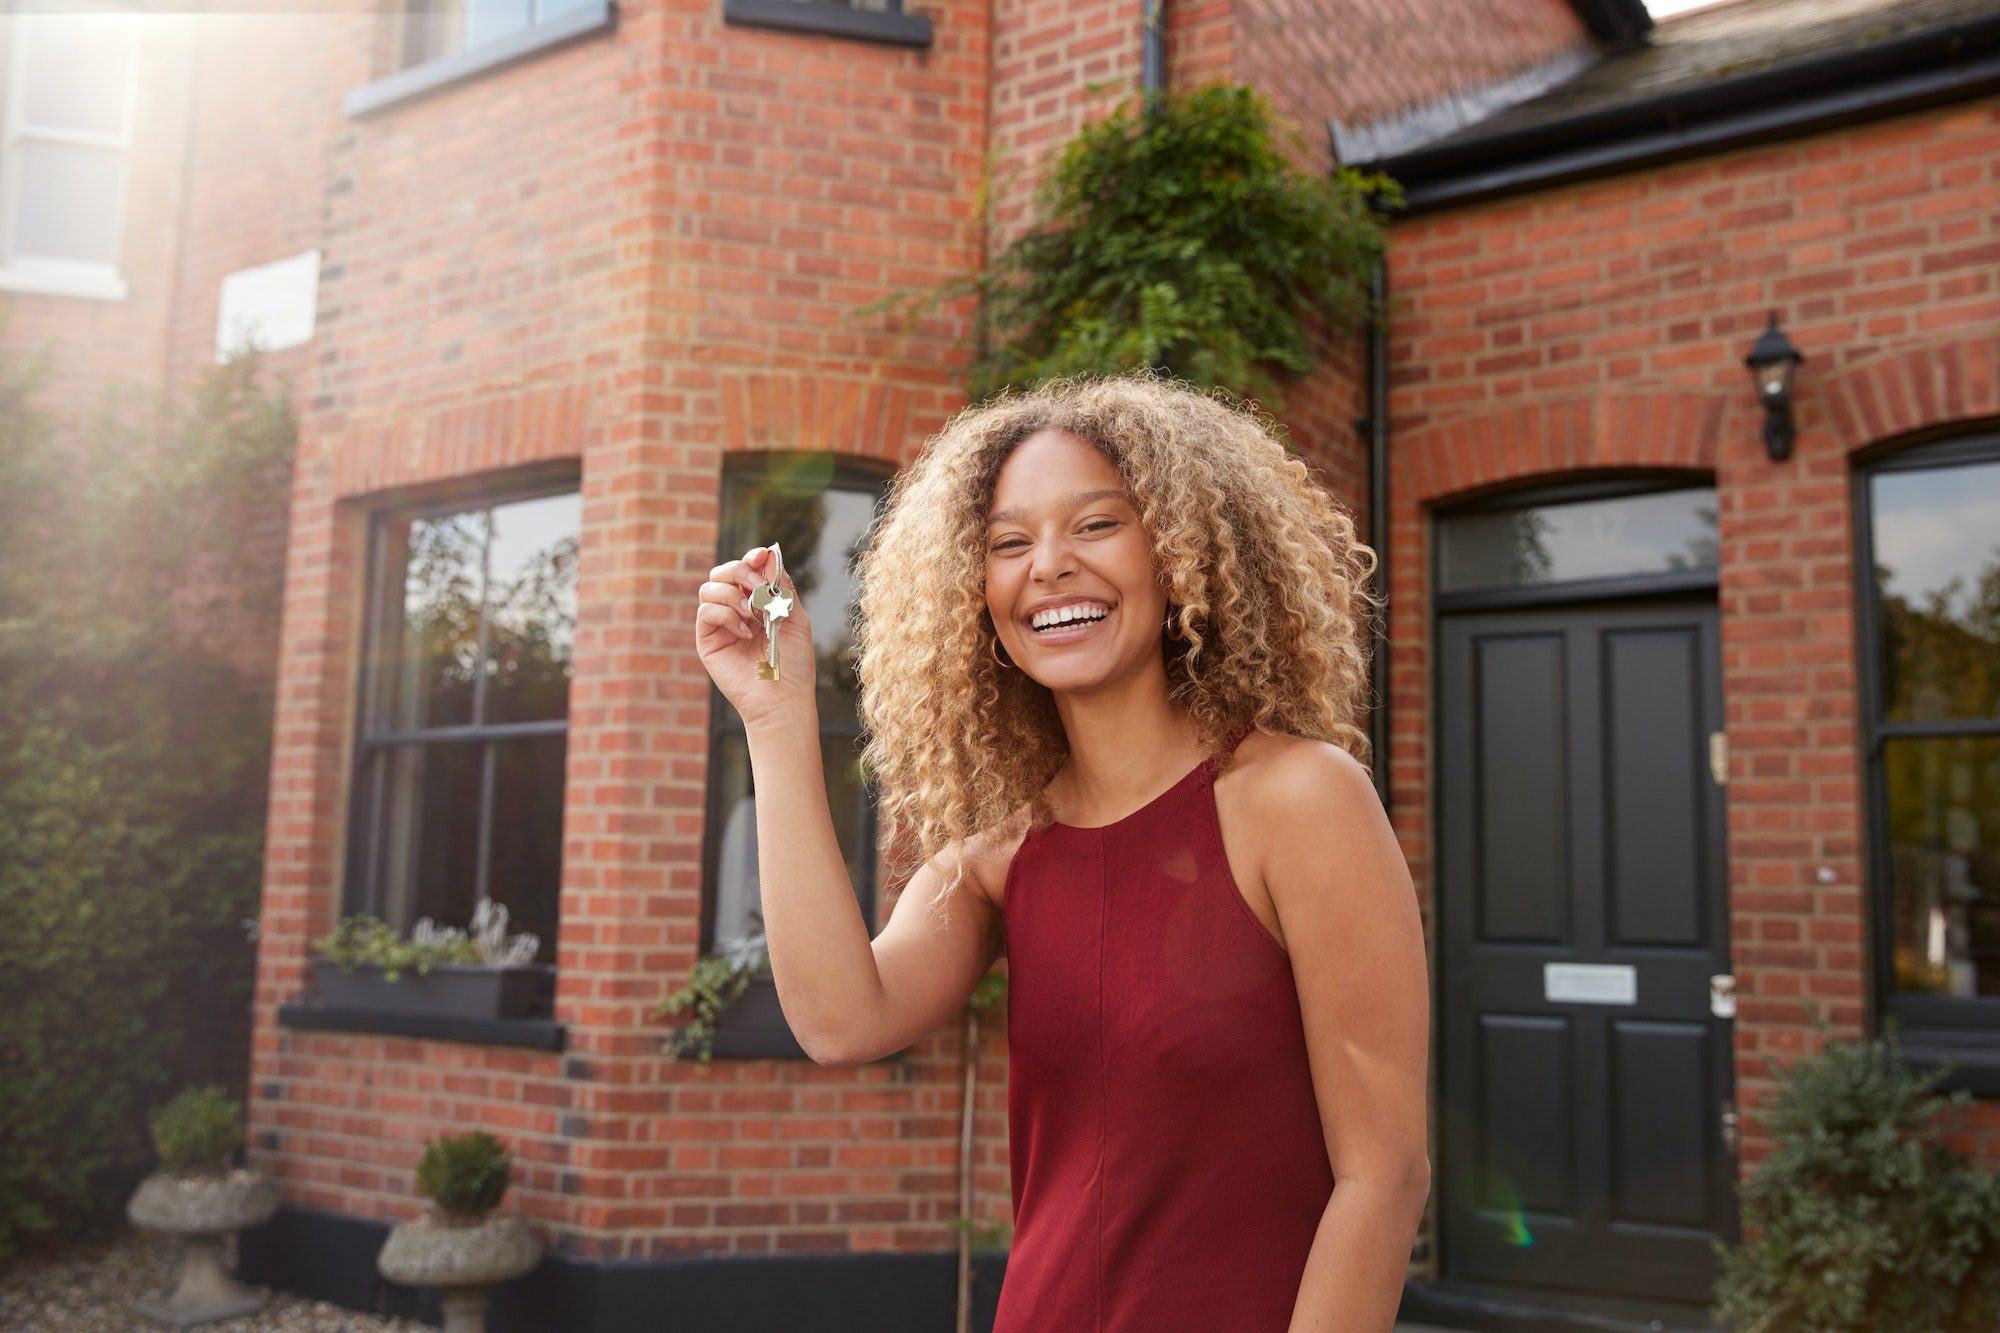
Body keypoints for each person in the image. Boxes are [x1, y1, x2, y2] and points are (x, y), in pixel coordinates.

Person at [693, 371, 1430, 1331]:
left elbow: (1384, 1175)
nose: (1047, 565)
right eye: (1008, 543)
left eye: (1096, 525)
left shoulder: (1300, 798)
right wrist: (777, 715)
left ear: (1181, 551)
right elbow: (841, 1020)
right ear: (979, 592)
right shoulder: (1004, 848)